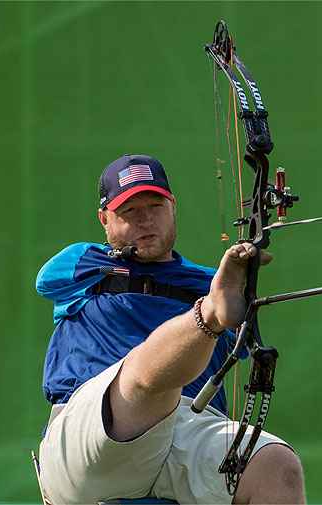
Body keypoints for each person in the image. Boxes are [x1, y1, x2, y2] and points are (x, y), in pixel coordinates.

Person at [36, 154, 305, 504]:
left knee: (277, 467)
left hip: (187, 425)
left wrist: (235, 280)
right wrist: (211, 306)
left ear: (172, 207)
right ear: (104, 219)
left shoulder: (214, 281)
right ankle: (205, 317)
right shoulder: (84, 265)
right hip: (92, 431)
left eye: (155, 205)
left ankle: (207, 318)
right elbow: (45, 280)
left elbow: (241, 340)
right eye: (129, 211)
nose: (145, 219)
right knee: (141, 380)